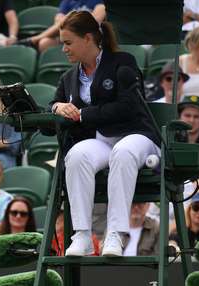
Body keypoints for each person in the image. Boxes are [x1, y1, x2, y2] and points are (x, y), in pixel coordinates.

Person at [53, 11, 160, 258]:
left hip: (137, 135)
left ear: (88, 38)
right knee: (77, 156)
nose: (64, 49)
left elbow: (127, 106)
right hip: (102, 139)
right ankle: (82, 234)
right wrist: (58, 107)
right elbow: (54, 102)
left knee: (123, 153)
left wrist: (82, 115)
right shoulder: (69, 77)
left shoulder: (123, 62)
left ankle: (116, 233)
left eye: (68, 43)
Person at [30, 1, 107, 53]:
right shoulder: (67, 1)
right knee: (45, 42)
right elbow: (58, 21)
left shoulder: (99, 2)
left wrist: (71, 19)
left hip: (87, 35)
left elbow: (93, 21)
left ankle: (34, 39)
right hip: (67, 33)